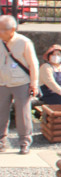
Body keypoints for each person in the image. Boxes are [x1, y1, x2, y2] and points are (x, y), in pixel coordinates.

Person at [0, 15, 39, 154]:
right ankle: (1, 142)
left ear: (12, 30)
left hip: (21, 82)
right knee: (1, 113)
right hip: (2, 82)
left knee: (23, 114)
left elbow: (33, 64)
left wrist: (34, 83)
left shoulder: (24, 42)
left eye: (2, 30)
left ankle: (24, 142)